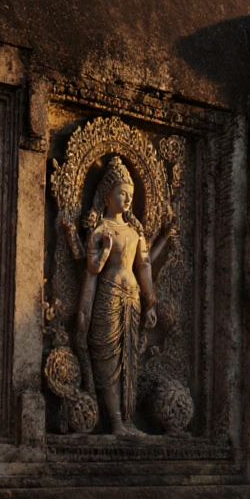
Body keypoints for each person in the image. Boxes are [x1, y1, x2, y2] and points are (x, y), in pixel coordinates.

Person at [74, 157, 157, 436]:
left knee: (128, 360)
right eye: (123, 193)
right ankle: (116, 420)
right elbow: (93, 267)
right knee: (108, 358)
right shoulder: (101, 230)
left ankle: (128, 421)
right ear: (107, 195)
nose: (128, 199)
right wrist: (106, 251)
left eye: (131, 195)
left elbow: (144, 266)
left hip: (131, 298)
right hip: (108, 296)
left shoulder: (134, 233)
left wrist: (150, 302)